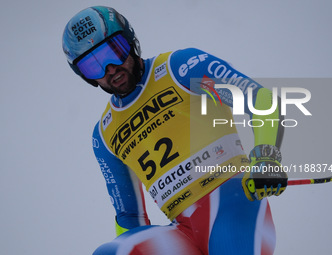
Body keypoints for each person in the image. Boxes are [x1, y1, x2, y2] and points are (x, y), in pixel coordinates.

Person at [62, 6, 288, 255]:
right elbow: (129, 217)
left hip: (231, 201)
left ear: (131, 41)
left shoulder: (180, 68)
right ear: (85, 77)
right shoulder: (104, 135)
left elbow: (259, 99)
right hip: (181, 232)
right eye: (92, 67)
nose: (110, 69)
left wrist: (266, 157)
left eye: (113, 51)